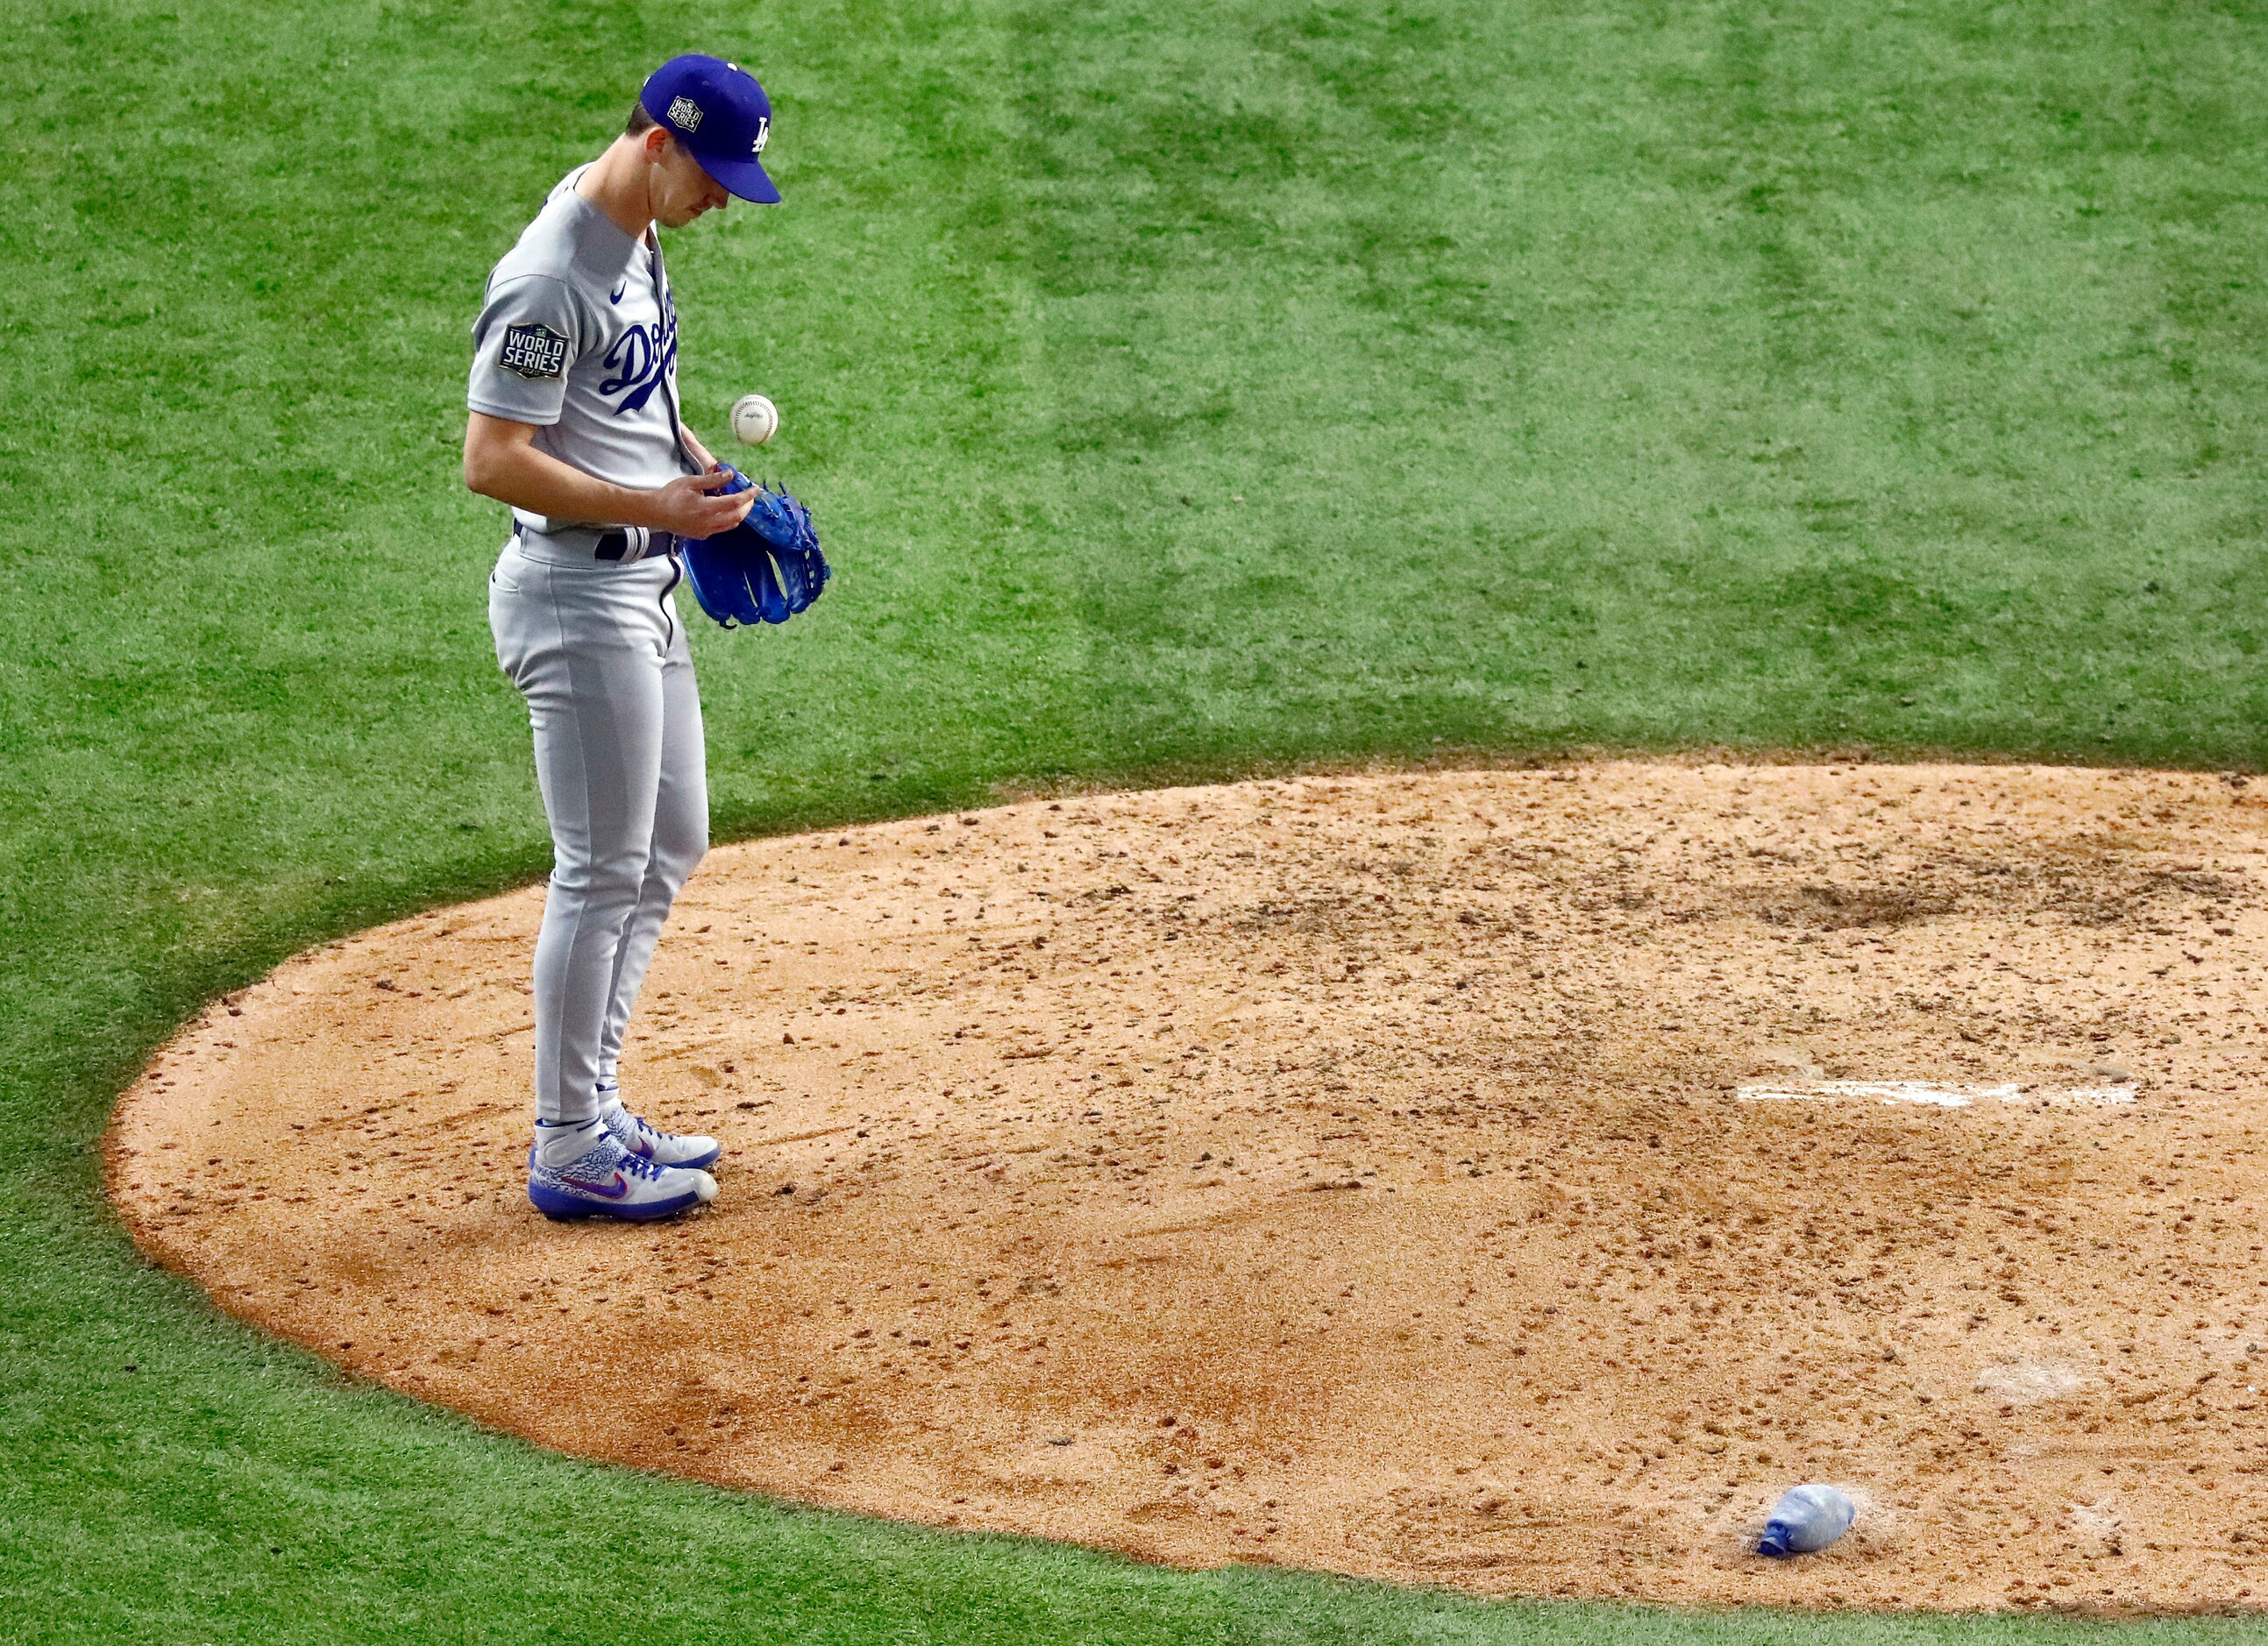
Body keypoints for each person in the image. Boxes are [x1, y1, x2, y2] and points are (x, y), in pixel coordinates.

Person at [464, 54, 779, 1221]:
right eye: (717, 177)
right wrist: (656, 508)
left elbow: (622, 398)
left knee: (673, 840)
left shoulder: (638, 231)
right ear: (660, 143)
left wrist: (687, 463)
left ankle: (591, 1104)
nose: (724, 202)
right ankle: (567, 1145)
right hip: (574, 594)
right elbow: (491, 457)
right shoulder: (552, 274)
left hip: (641, 584)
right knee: (600, 869)